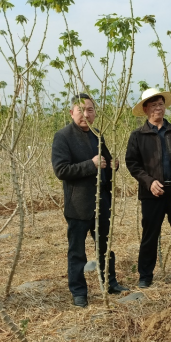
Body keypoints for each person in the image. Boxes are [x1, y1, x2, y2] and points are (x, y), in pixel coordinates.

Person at [52, 93, 129, 308]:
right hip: (78, 205)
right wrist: (91, 164)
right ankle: (79, 292)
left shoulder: (98, 135)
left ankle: (110, 283)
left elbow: (106, 162)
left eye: (90, 110)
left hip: (101, 201)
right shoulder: (63, 136)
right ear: (71, 112)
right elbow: (61, 170)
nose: (85, 114)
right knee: (77, 252)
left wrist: (113, 166)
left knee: (105, 246)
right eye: (81, 110)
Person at [125, 88, 171, 287]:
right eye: (154, 105)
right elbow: (132, 164)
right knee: (150, 235)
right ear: (145, 109)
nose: (158, 108)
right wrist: (149, 182)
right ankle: (145, 276)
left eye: (161, 104)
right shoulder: (138, 135)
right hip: (152, 194)